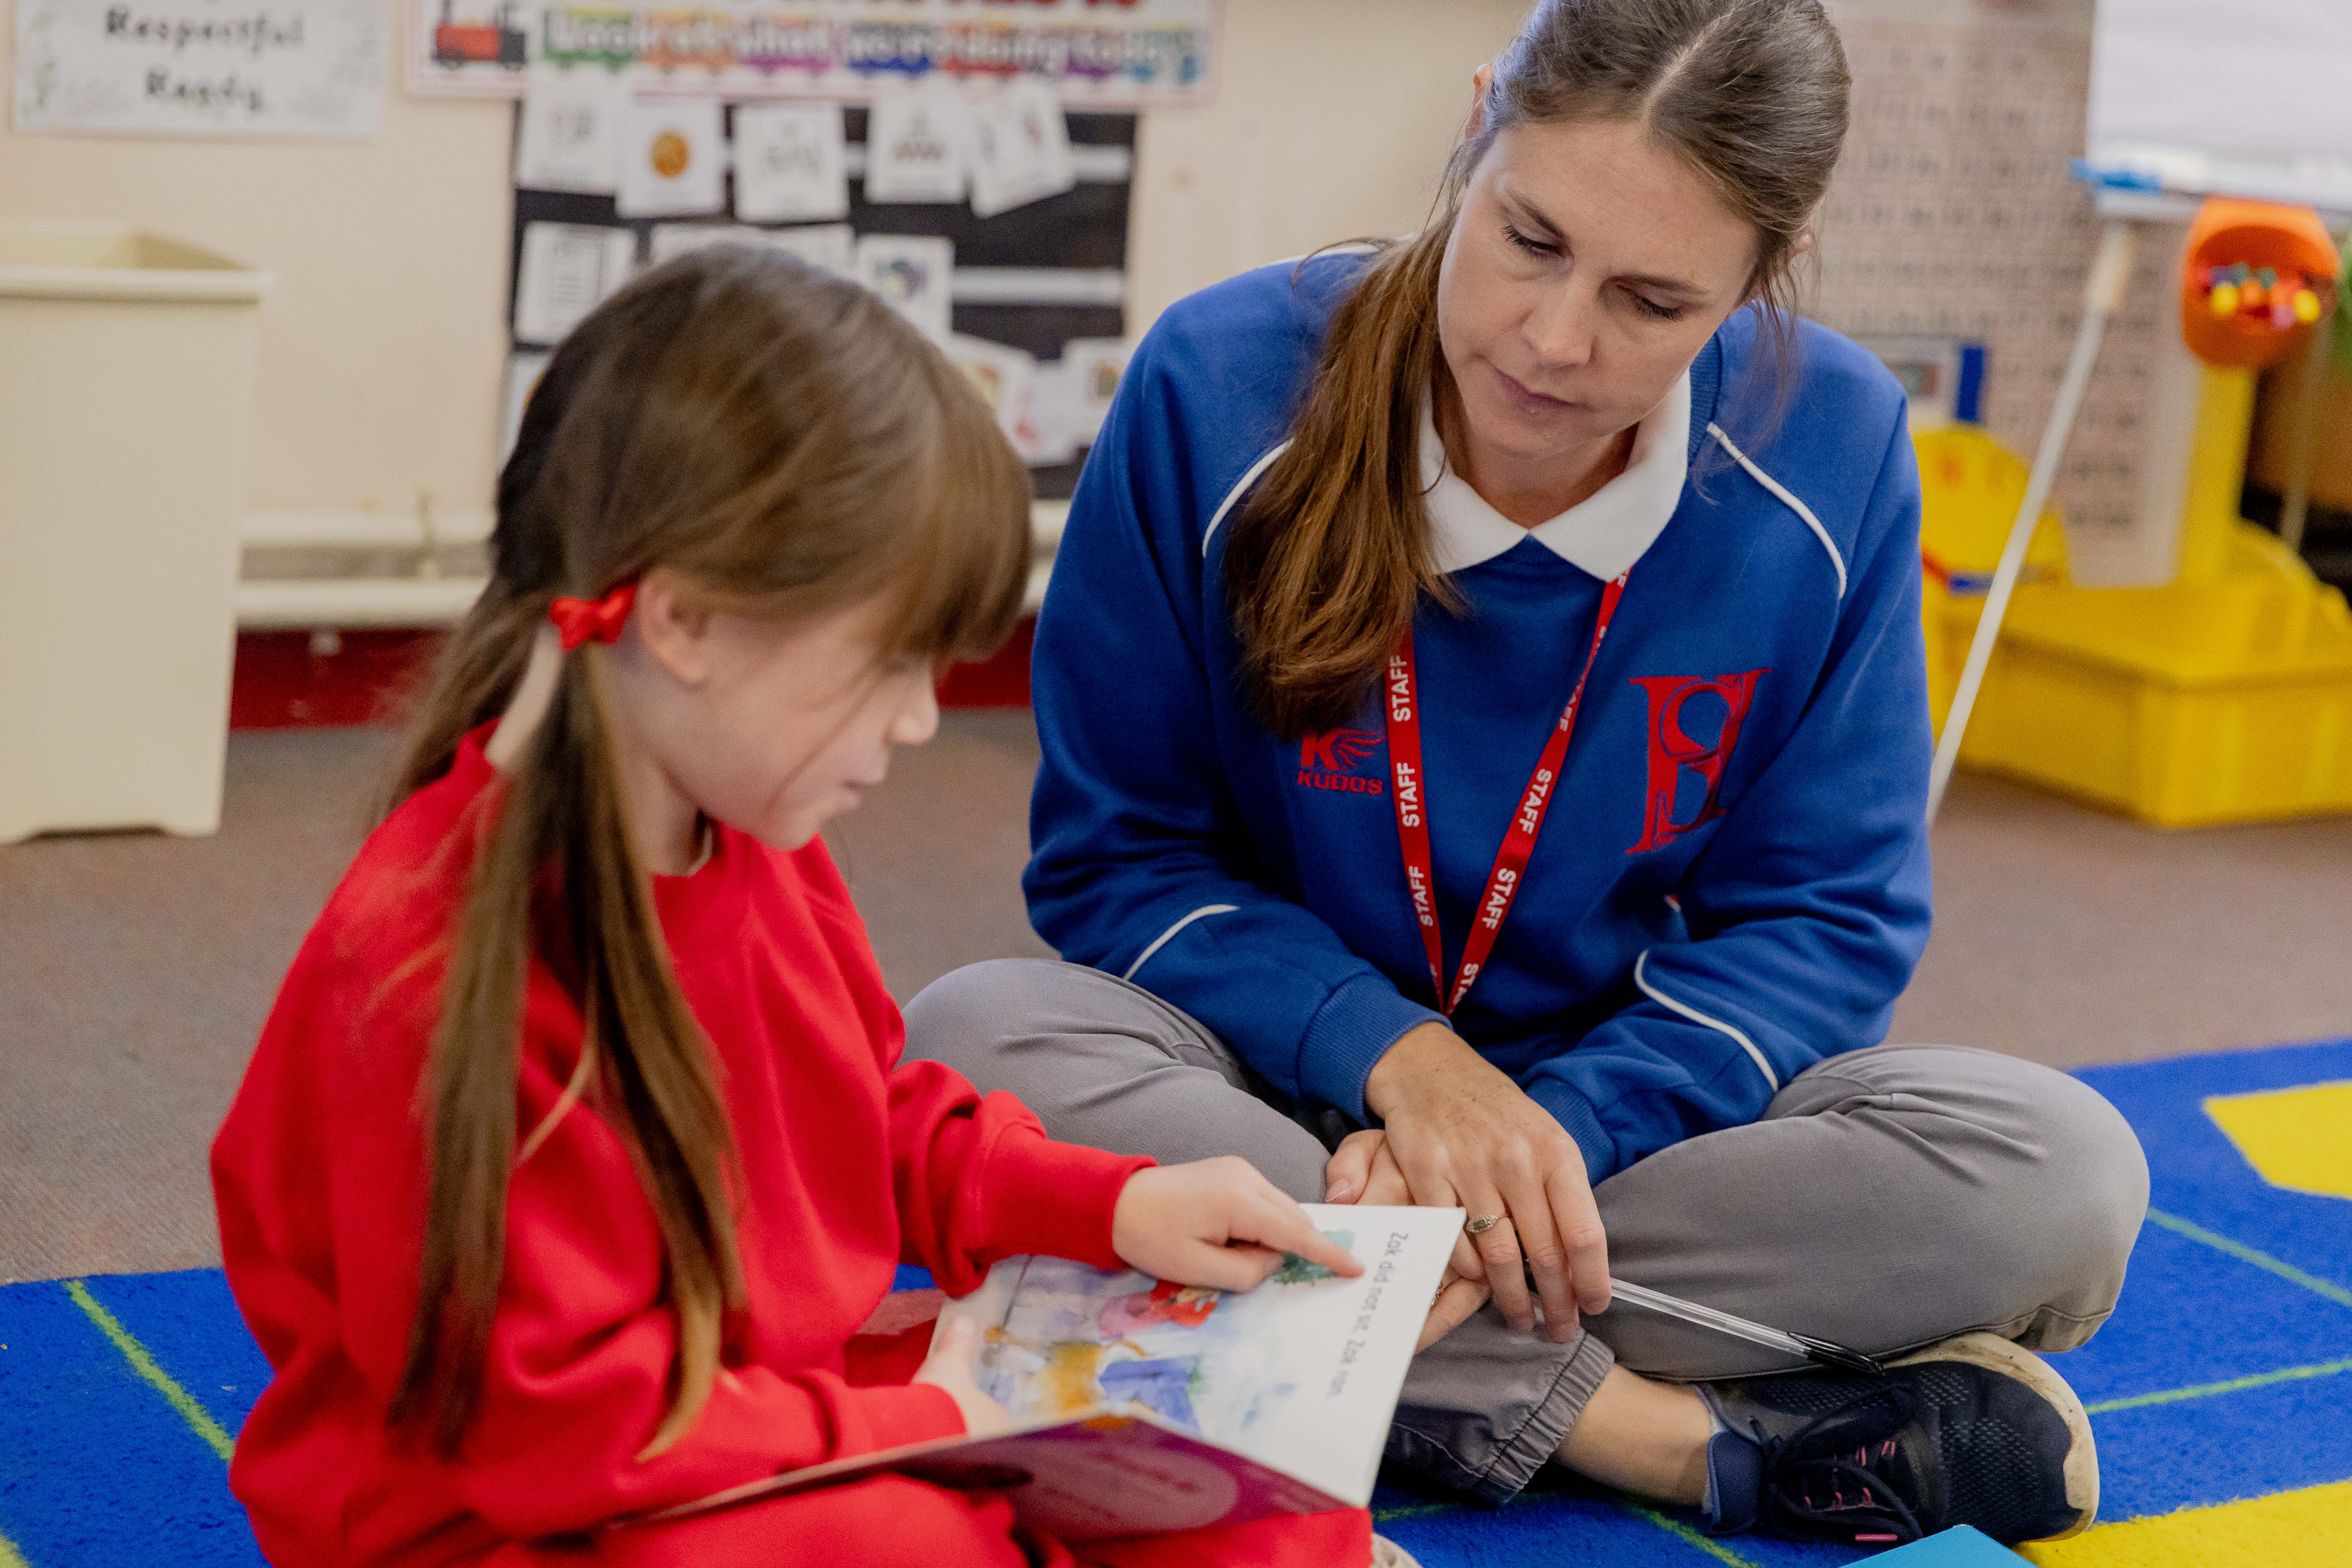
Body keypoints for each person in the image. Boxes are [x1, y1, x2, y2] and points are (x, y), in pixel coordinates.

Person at [901, 0, 2150, 1550]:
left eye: (1648, 299)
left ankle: (1304, 1351)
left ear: (1761, 272)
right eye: (1528, 239)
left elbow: (1821, 923)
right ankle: (1660, 1439)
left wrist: (1531, 1138)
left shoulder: (1830, 449)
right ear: (1475, 123)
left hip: (1615, 1142)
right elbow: (1115, 861)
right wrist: (1401, 1066)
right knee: (968, 1043)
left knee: (2061, 1178)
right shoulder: (1213, 388)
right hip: (1249, 1100)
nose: (1556, 341)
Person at [209, 248, 1386, 1568]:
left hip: (756, 1423)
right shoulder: (427, 976)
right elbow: (571, 1435)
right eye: (886, 665)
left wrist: (1107, 1206)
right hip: (514, 1513)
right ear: (688, 623)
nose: (924, 720)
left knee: (1251, 1485)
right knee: (898, 1542)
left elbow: (861, 1108)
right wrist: (930, 1422)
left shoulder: (751, 822)